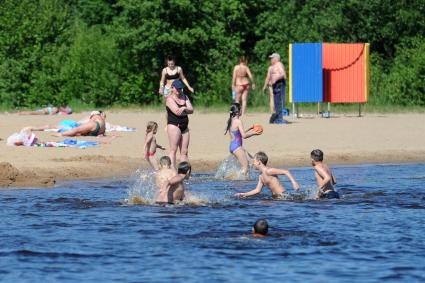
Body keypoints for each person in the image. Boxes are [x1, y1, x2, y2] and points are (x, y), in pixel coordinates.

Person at [235, 151, 299, 199]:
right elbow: (257, 190)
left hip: (283, 196)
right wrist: (244, 194)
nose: (253, 163)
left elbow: (286, 171)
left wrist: (294, 183)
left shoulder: (268, 171)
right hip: (275, 198)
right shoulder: (261, 176)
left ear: (259, 162)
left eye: (254, 161)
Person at [225, 102, 260, 176]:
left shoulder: (231, 120)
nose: (242, 111)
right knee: (245, 167)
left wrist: (250, 129)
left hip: (233, 146)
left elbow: (239, 134)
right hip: (237, 147)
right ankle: (237, 181)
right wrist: (254, 133)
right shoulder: (238, 121)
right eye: (241, 109)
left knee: (251, 162)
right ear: (237, 112)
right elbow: (244, 136)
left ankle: (243, 180)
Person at [166, 79, 194, 168]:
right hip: (174, 126)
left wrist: (184, 108)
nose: (179, 91)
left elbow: (192, 110)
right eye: (177, 89)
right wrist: (186, 110)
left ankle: (184, 172)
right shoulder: (169, 99)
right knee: (173, 150)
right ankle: (172, 171)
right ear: (172, 88)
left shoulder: (185, 97)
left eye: (180, 89)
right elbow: (177, 112)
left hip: (184, 127)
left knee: (184, 151)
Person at [262, 53, 287, 124]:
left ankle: (280, 118)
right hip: (275, 85)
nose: (271, 59)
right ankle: (277, 118)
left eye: (272, 58)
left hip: (280, 83)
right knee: (276, 102)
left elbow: (283, 75)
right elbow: (268, 77)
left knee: (280, 101)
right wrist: (265, 86)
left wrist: (276, 79)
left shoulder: (279, 64)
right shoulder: (272, 67)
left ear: (276, 58)